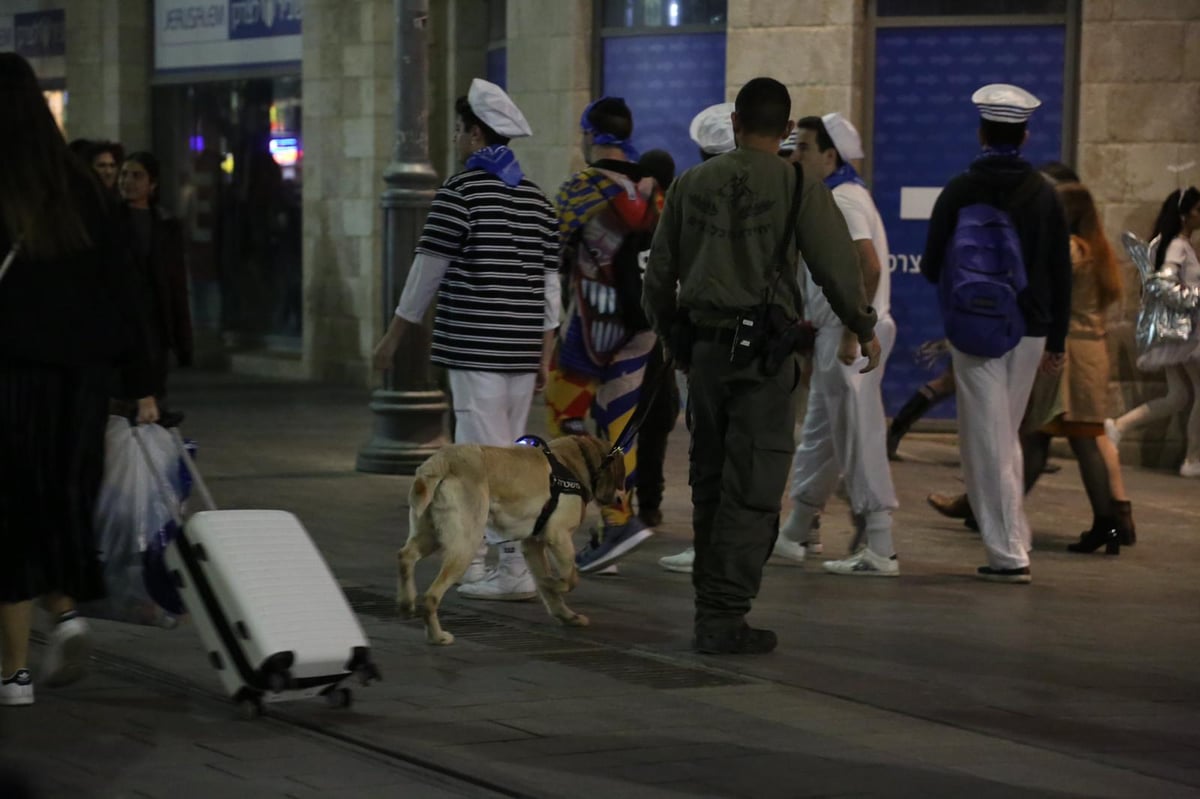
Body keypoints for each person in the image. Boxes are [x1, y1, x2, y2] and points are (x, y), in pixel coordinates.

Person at [644, 77, 879, 654]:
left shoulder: (690, 183)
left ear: (738, 124)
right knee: (753, 483)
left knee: (709, 477)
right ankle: (723, 617)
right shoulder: (799, 185)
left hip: (703, 354)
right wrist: (862, 325)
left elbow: (658, 278)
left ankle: (709, 608)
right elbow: (835, 267)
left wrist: (674, 339)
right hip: (760, 360)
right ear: (787, 128)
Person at [1, 52, 158, 707]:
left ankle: (13, 673)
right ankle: (65, 612)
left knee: (11, 515)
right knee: (60, 498)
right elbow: (124, 288)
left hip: (11, 373)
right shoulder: (82, 187)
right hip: (82, 379)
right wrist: (143, 382)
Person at [372, 79, 560, 601]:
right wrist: (545, 353)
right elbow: (551, 290)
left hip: (475, 347)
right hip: (521, 351)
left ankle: (482, 563)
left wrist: (393, 338)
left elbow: (425, 273)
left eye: (459, 129)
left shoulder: (459, 193)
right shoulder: (536, 200)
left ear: (476, 133)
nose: (455, 139)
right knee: (510, 456)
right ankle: (510, 564)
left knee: (478, 459)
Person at [926, 182, 1133, 553]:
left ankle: (992, 509)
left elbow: (1047, 293)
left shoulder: (1070, 250)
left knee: (1043, 435)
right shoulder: (1097, 253)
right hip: (1091, 355)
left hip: (1069, 357)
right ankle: (1107, 525)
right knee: (1070, 438)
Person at [919, 83, 1072, 584]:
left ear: (982, 132)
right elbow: (1059, 270)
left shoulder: (961, 190)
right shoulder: (1046, 195)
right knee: (1003, 434)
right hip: (1031, 329)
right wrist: (1057, 342)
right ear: (1025, 135)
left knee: (984, 440)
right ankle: (1016, 536)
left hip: (976, 328)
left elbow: (930, 265)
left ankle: (1008, 555)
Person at [772, 113, 900, 576]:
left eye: (804, 146)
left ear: (830, 156)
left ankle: (881, 548)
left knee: (859, 440)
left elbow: (867, 267)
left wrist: (852, 332)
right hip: (838, 334)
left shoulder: (842, 201)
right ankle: (796, 531)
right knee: (822, 439)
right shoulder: (839, 195)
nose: (795, 154)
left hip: (850, 338)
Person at [546, 96, 663, 574]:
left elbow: (549, 252)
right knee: (618, 423)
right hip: (642, 327)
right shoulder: (653, 190)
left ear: (591, 135)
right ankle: (616, 525)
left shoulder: (581, 188)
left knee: (562, 414)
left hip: (591, 329)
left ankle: (587, 515)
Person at [657, 102, 736, 576]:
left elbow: (666, 272)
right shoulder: (772, 190)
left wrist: (671, 334)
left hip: (704, 339)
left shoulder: (688, 193)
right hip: (759, 339)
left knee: (707, 448)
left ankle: (708, 545)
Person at [1105, 187, 1200, 477]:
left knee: (1179, 396)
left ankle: (1118, 427)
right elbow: (1165, 282)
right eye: (1197, 210)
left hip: (1186, 331)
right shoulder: (1177, 247)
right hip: (1188, 333)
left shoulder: (1180, 244)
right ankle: (1192, 459)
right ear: (1185, 214)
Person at [118, 151, 193, 404]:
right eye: (125, 174)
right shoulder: (111, 221)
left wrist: (183, 340)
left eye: (137, 176)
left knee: (154, 386)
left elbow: (176, 284)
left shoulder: (165, 224)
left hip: (154, 318)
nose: (128, 181)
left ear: (152, 184)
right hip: (123, 317)